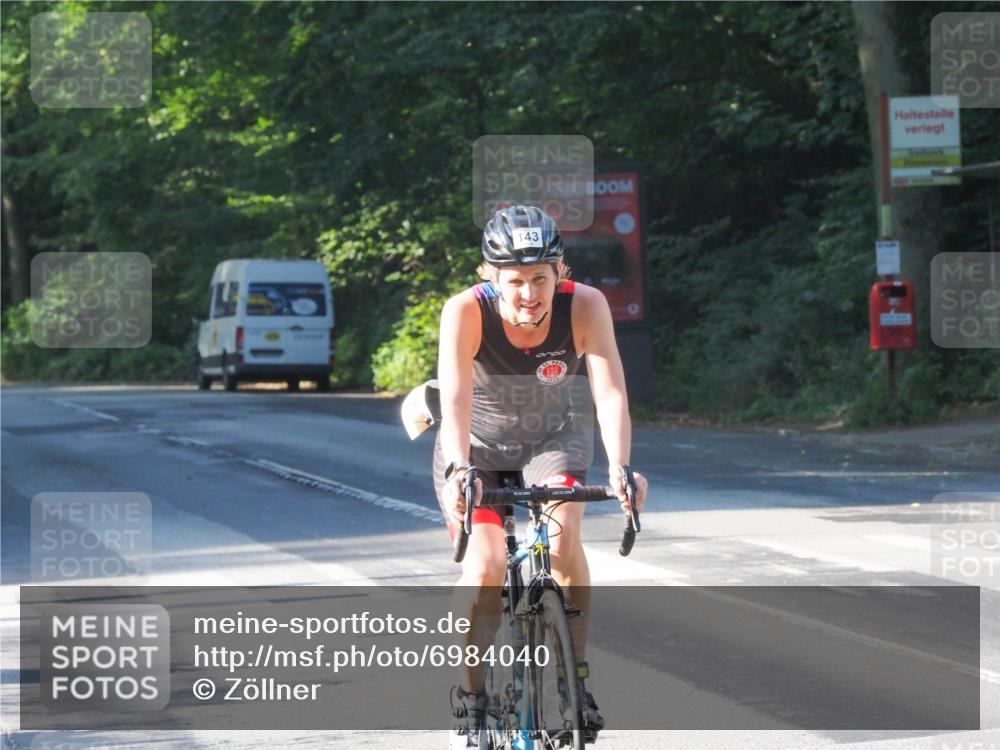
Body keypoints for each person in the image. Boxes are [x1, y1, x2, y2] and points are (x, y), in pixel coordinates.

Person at [435, 205, 648, 748]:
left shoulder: (586, 306)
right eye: (515, 281)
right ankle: (474, 698)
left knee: (562, 538)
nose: (528, 293)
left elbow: (610, 391)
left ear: (560, 273)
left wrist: (621, 466)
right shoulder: (465, 311)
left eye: (539, 279)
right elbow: (455, 399)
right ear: (490, 277)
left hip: (553, 438)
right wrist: (461, 469)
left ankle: (574, 676)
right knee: (485, 567)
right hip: (476, 445)